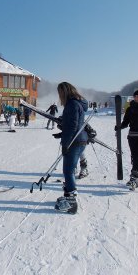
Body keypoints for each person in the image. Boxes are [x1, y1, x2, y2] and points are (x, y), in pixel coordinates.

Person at [53, 82, 88, 214]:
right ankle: (68, 195)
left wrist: (66, 143)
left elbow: (73, 126)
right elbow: (73, 124)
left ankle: (71, 202)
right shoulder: (76, 103)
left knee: (68, 171)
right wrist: (62, 133)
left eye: (60, 92)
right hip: (78, 140)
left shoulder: (72, 104)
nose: (59, 95)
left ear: (65, 91)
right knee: (69, 169)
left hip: (75, 142)